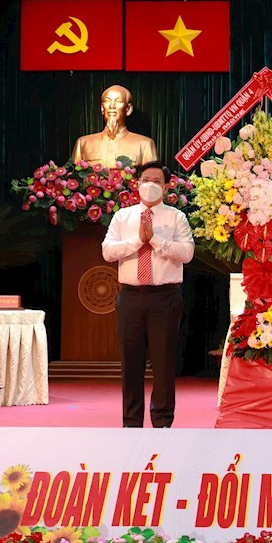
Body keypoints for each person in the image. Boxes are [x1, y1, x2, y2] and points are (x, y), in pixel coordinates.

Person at [101, 162, 195, 428]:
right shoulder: (123, 216)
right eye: (146, 180)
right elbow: (108, 252)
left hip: (165, 298)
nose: (150, 185)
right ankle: (131, 423)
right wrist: (138, 240)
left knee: (164, 364)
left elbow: (187, 253)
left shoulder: (176, 217)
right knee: (130, 363)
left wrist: (155, 240)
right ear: (137, 184)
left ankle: (162, 422)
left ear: (166, 187)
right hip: (130, 297)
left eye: (157, 181)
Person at [71, 84, 159, 168]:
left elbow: (153, 176)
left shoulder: (145, 144)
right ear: (102, 108)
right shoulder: (83, 143)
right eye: (107, 101)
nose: (112, 106)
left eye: (118, 101)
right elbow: (74, 174)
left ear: (128, 109)